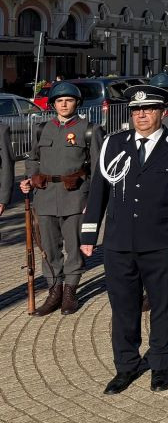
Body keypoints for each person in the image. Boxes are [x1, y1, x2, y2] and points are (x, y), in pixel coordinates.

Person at [80, 84, 168, 394]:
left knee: (163, 306)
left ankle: (161, 365)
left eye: (148, 109)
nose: (141, 115)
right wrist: (89, 232)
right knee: (123, 308)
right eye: (136, 110)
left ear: (162, 112)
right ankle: (126, 366)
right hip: (119, 242)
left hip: (162, 241)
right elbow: (99, 190)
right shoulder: (114, 144)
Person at [19, 81, 104, 316]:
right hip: (45, 197)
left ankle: (70, 292)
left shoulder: (90, 130)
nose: (64, 104)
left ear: (77, 103)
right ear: (53, 104)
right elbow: (32, 159)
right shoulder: (42, 129)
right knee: (48, 248)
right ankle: (54, 290)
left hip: (75, 197)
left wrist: (92, 200)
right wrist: (30, 178)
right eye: (59, 100)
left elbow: (98, 170)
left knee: (74, 247)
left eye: (69, 100)